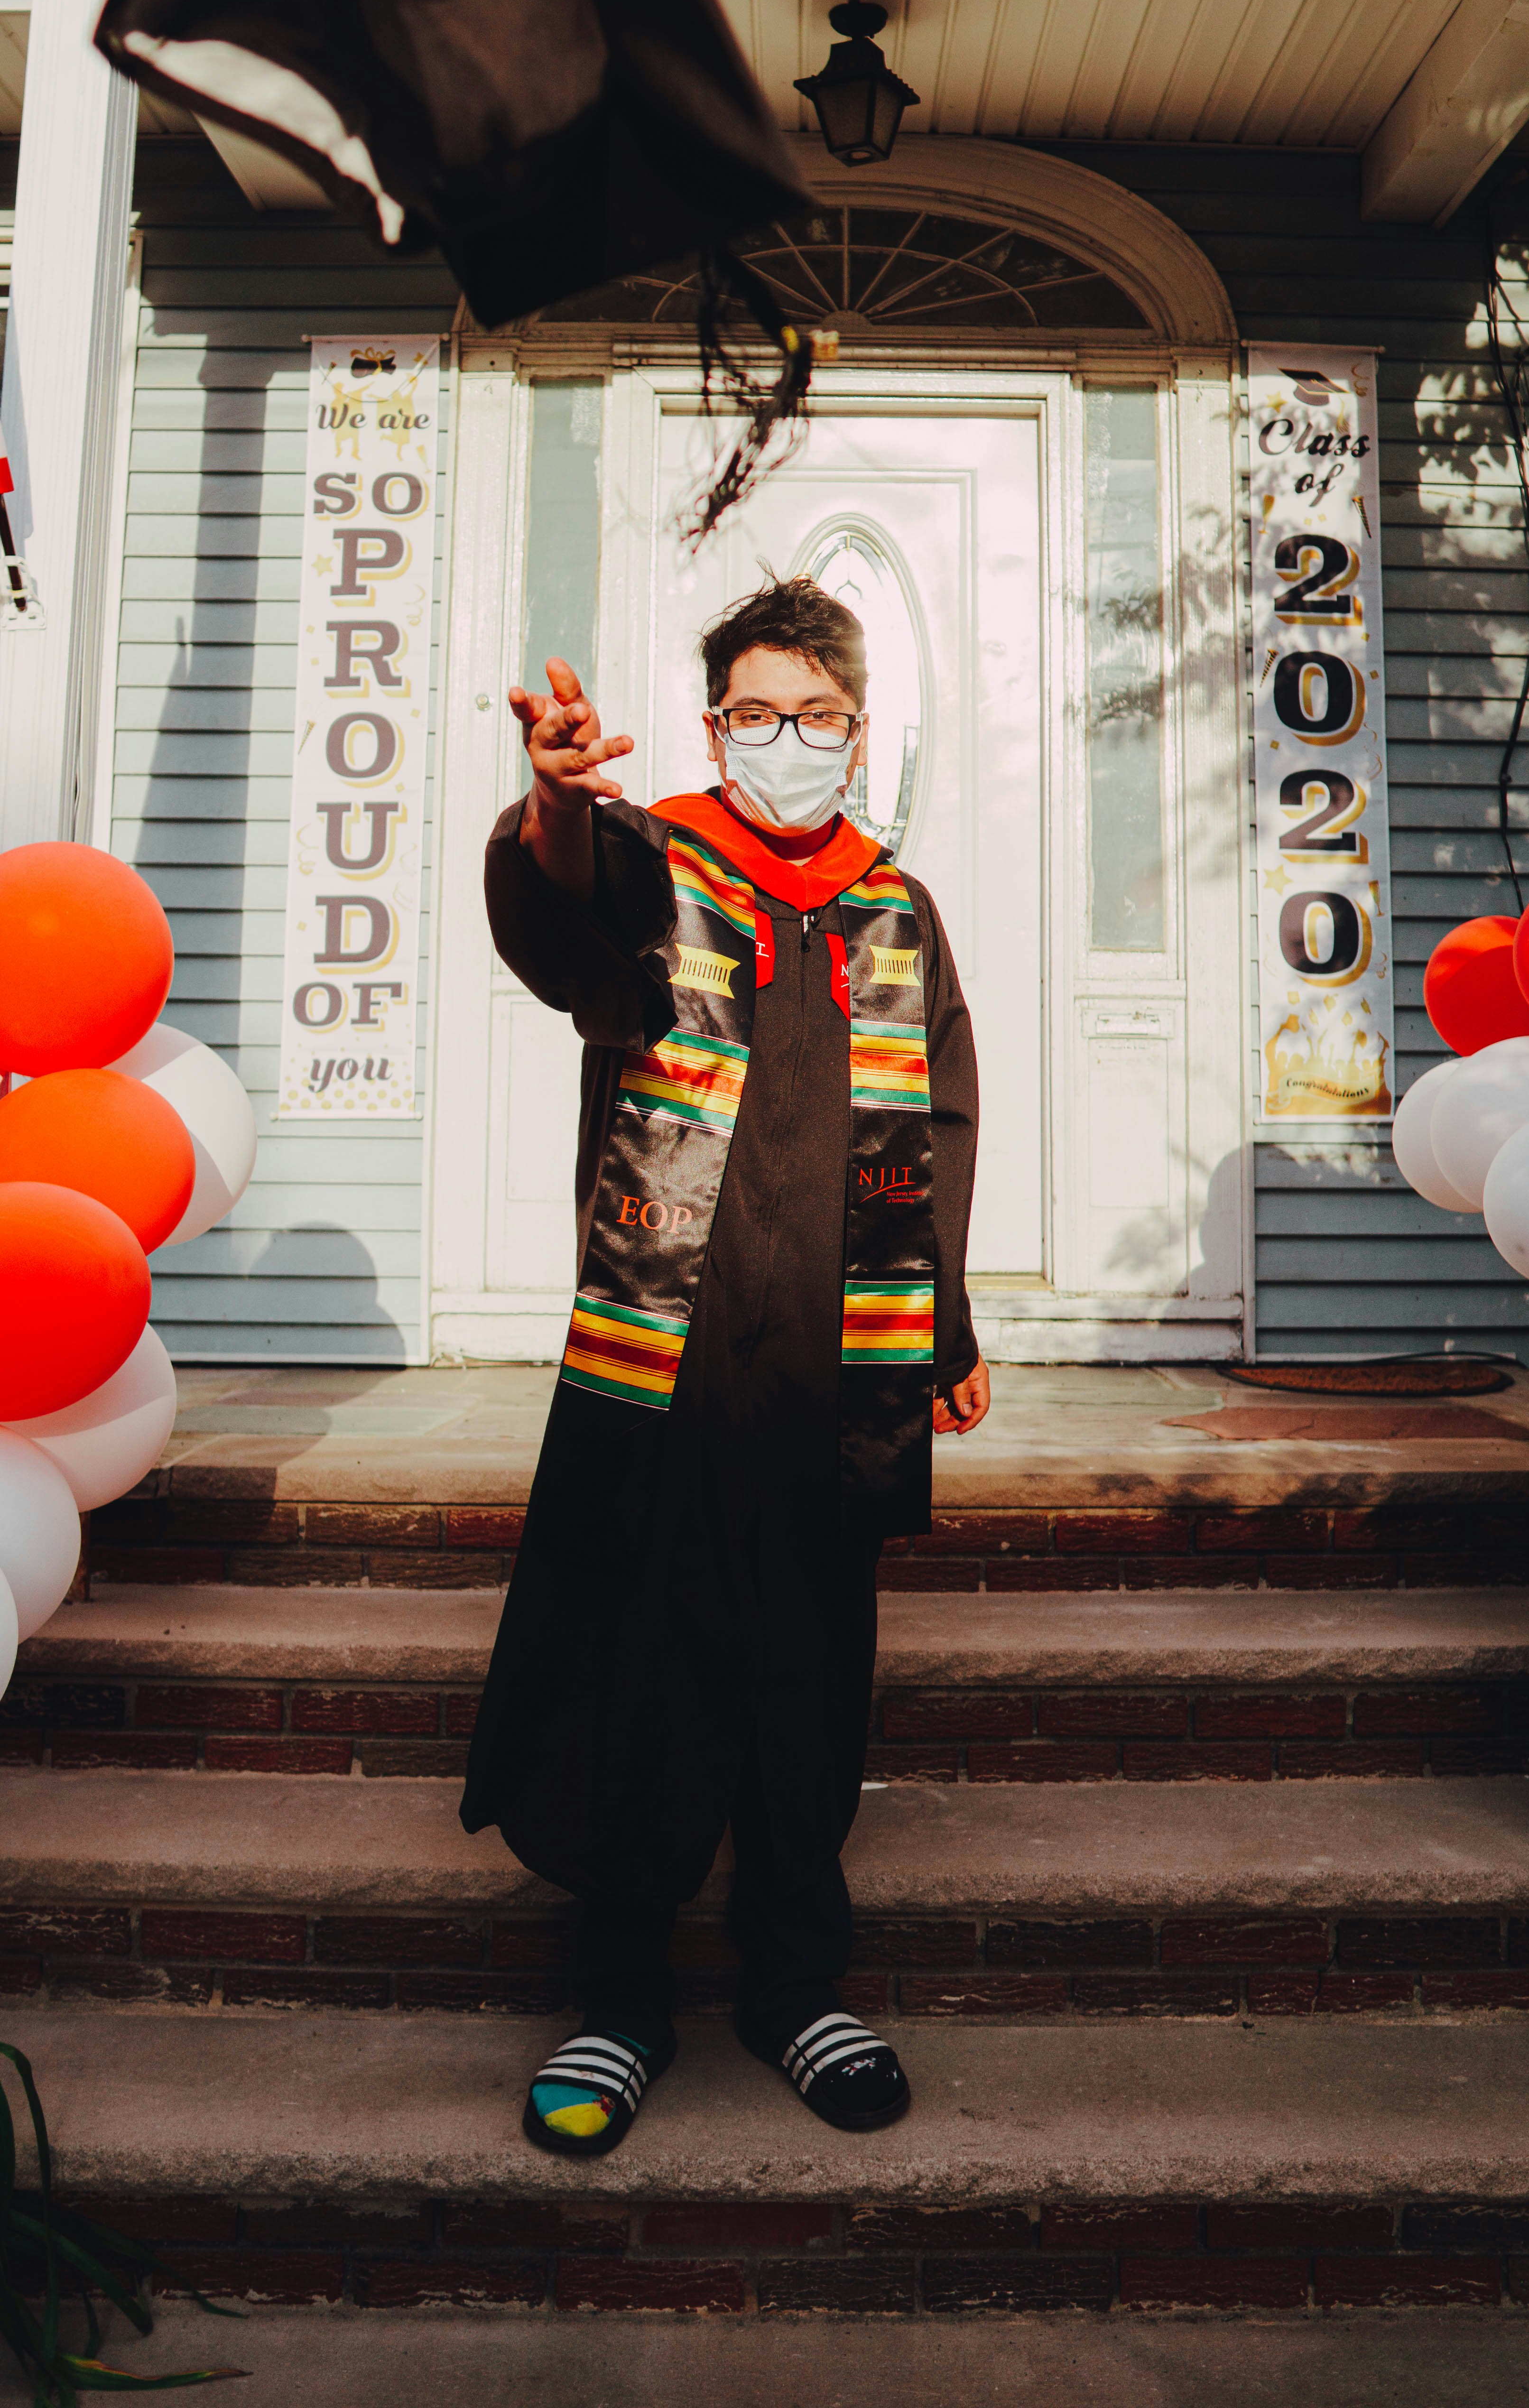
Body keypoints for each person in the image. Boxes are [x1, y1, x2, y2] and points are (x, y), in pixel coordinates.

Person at [461, 570, 988, 2156]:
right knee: (646, 1662)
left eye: (818, 718)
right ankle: (621, 2001)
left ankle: (796, 1983)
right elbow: (564, 918)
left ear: (859, 731)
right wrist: (554, 800)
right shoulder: (658, 860)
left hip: (840, 1362)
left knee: (811, 1673)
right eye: (760, 714)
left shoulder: (892, 902)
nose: (790, 741)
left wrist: (946, 1320)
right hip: (670, 1349)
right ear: (714, 725)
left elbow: (943, 1118)